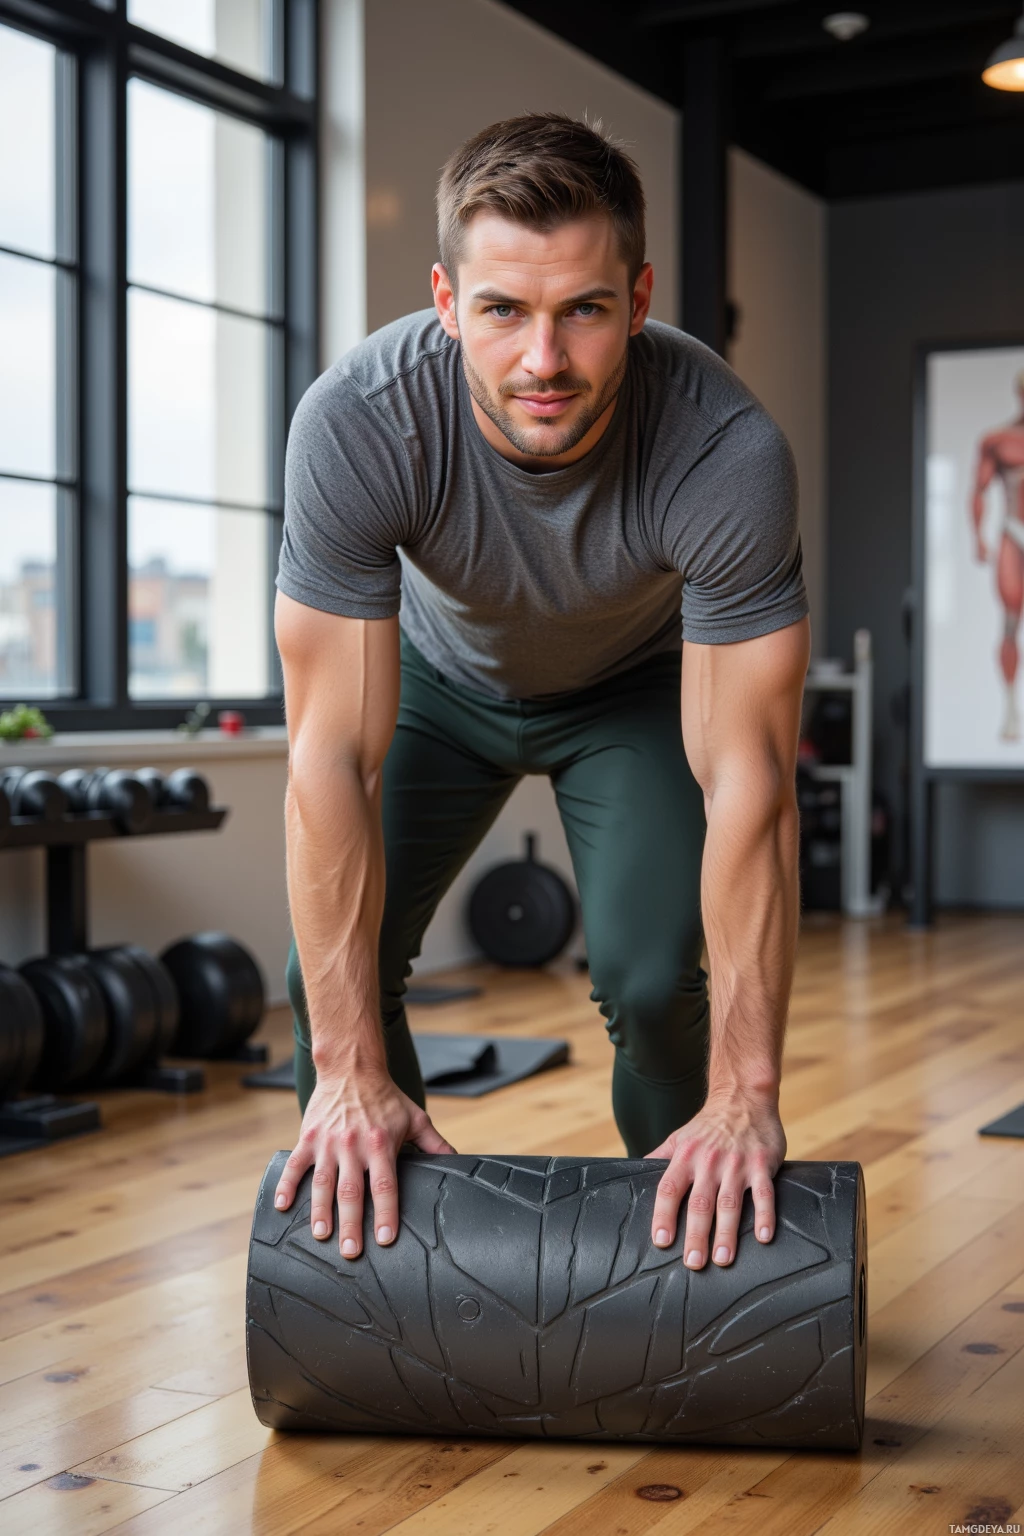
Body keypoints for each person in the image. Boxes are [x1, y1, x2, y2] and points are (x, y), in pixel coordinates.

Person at [271, 113, 810, 1278]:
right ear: (446, 298)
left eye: (586, 310)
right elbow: (326, 758)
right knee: (330, 984)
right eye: (504, 309)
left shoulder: (723, 450)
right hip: (429, 681)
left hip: (629, 690)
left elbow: (749, 784)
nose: (543, 361)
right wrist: (346, 1073)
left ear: (640, 295)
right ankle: (396, 1265)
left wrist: (747, 1092)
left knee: (652, 976)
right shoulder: (361, 421)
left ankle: (685, 1254)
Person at [970, 370, 1024, 742]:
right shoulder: (999, 440)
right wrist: (978, 537)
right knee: (1009, 623)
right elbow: (979, 489)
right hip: (1014, 533)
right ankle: (1010, 710)